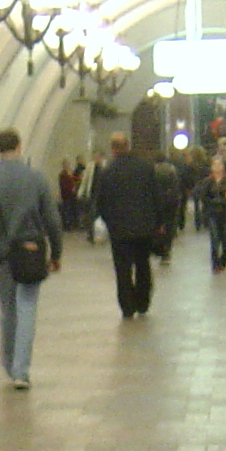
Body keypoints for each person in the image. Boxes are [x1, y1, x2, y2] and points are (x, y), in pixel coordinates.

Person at [0, 127, 61, 390]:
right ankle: (22, 370)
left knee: (8, 310)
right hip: (31, 251)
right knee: (28, 307)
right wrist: (56, 253)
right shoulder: (37, 179)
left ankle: (10, 365)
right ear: (20, 146)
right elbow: (52, 220)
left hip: (2, 256)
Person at [94, 134, 166, 319]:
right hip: (144, 228)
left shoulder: (108, 171)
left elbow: (100, 202)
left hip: (119, 230)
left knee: (123, 269)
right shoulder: (145, 167)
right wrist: (159, 222)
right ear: (129, 146)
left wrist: (109, 221)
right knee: (143, 264)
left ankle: (127, 306)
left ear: (113, 149)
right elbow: (156, 197)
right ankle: (143, 302)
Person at [196, 154, 226, 271]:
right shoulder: (207, 182)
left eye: (220, 164)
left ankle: (224, 261)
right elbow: (203, 197)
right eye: (215, 164)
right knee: (214, 238)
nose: (217, 167)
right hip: (212, 213)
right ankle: (215, 263)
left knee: (225, 239)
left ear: (224, 166)